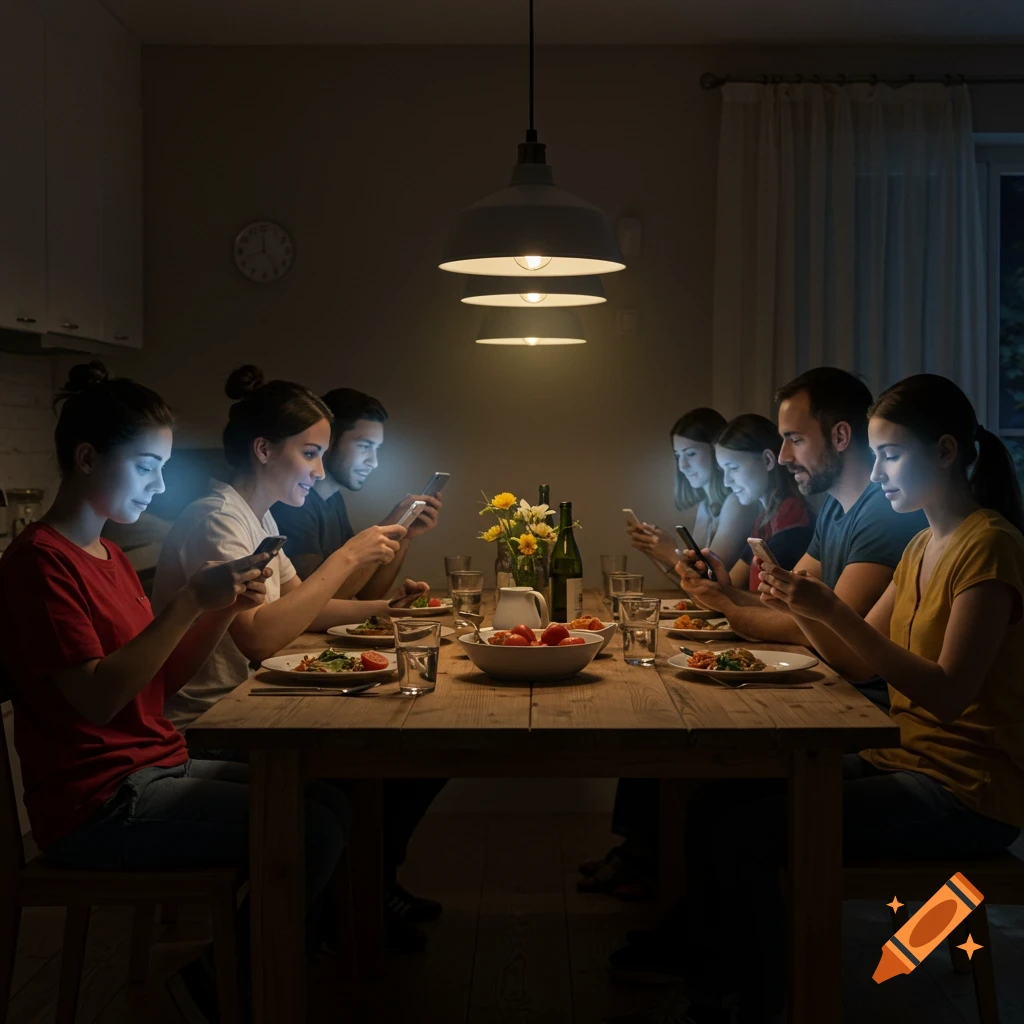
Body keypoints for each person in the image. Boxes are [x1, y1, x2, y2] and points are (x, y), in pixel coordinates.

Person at [607, 374, 1024, 1024]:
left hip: (962, 791)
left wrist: (830, 611)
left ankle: (760, 1003)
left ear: (945, 451)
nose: (878, 468)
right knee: (715, 801)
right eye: (876, 453)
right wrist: (815, 610)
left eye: (890, 453)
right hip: (904, 761)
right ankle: (715, 974)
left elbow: (948, 694)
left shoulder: (990, 546)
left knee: (748, 831)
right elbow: (858, 657)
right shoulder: (920, 543)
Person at [0, 362, 349, 1023]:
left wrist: (215, 607)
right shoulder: (39, 564)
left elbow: (160, 686)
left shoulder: (107, 556)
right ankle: (232, 986)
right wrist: (189, 599)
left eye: (164, 470)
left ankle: (250, 975)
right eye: (146, 468)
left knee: (329, 800)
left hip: (152, 768)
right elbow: (100, 701)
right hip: (98, 804)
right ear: (85, 458)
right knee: (307, 827)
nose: (160, 488)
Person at [152, 365, 442, 950]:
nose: (317, 469)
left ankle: (335, 920)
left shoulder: (257, 516)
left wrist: (383, 609)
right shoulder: (217, 518)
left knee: (392, 764)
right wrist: (347, 558)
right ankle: (288, 945)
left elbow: (305, 607)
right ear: (263, 449)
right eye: (310, 454)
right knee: (379, 770)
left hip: (247, 706)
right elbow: (257, 638)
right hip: (210, 721)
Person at [675, 367, 926, 709]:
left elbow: (827, 633)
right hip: (835, 689)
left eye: (795, 439)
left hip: (865, 705)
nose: (783, 456)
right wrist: (723, 591)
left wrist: (723, 605)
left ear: (840, 437)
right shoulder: (834, 510)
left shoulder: (883, 514)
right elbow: (786, 604)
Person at [271, 387, 443, 594]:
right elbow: (318, 600)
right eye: (364, 446)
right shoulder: (294, 504)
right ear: (328, 440)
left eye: (376, 449)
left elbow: (366, 592)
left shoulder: (333, 501)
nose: (374, 462)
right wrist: (387, 527)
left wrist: (402, 533)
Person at [628, 408, 757, 579]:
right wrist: (655, 551)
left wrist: (669, 553)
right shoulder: (705, 506)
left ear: (716, 451)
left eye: (690, 454)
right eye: (678, 455)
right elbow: (689, 587)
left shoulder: (737, 504)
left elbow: (709, 582)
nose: (682, 466)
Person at [714, 413, 815, 589]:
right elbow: (732, 585)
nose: (726, 482)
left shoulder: (792, 520)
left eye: (733, 468)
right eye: (723, 470)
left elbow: (768, 602)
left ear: (768, 460)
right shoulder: (764, 520)